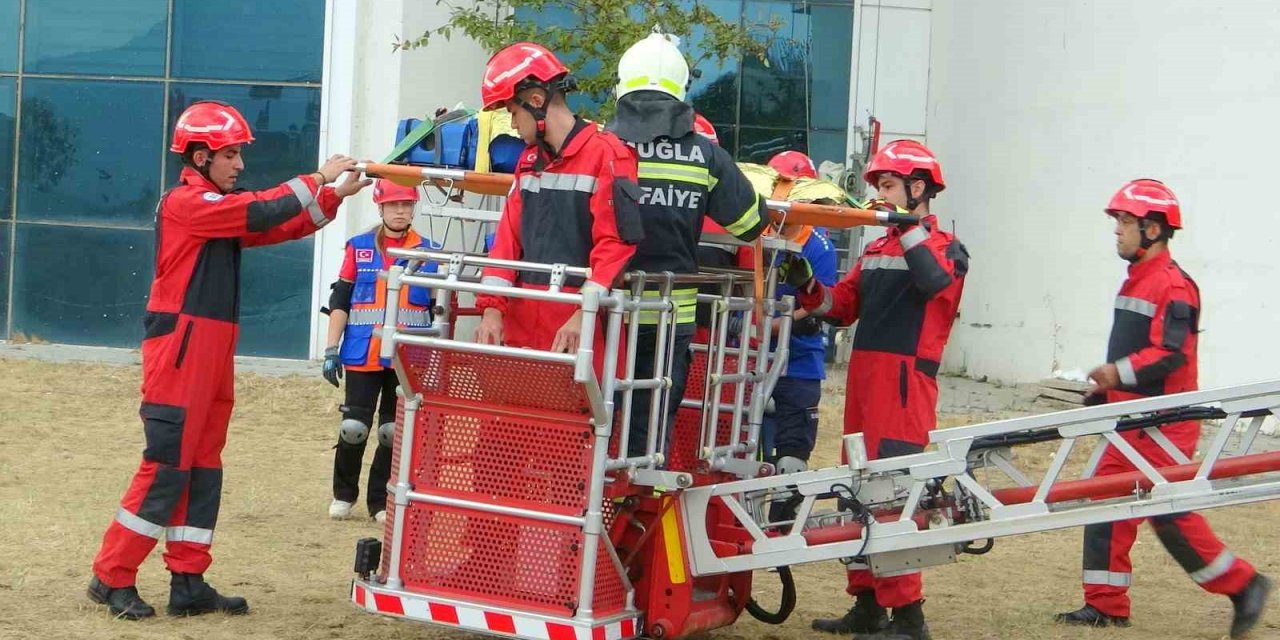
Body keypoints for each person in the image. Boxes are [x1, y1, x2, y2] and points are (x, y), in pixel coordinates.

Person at [88, 100, 370, 620]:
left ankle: (189, 581)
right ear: (199, 157)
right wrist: (317, 176)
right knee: (168, 463)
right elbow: (261, 211)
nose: (239, 164)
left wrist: (333, 195)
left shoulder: (216, 207)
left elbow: (275, 226)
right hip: (182, 347)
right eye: (231, 154)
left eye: (239, 155)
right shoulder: (186, 204)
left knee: (203, 464)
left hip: (209, 345)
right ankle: (111, 576)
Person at [1053, 179, 1271, 639]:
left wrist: (1116, 374)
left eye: (1125, 223)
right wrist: (1107, 393)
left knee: (1170, 514)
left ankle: (1246, 584)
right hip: (1131, 418)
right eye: (1118, 222)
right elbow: (1137, 351)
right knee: (1105, 504)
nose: (1117, 231)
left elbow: (1169, 355)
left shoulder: (1174, 285)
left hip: (1165, 424)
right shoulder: (1138, 278)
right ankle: (1106, 605)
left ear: (1152, 229)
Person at [790, 140, 969, 640]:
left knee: (891, 497)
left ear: (918, 188)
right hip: (866, 382)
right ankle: (866, 604)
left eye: (888, 186)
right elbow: (838, 307)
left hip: (905, 384)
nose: (879, 198)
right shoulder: (876, 248)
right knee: (857, 491)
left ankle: (908, 618)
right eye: (878, 188)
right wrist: (803, 279)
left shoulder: (945, 248)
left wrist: (905, 226)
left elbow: (936, 286)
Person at [607, 32, 767, 457]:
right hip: (669, 317)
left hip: (605, 312)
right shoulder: (705, 156)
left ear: (620, 88)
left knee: (597, 419)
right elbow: (751, 223)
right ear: (682, 91)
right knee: (649, 427)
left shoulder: (600, 148)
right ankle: (639, 504)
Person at [473, 42, 643, 374]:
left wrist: (584, 314)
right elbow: (506, 242)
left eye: (513, 113)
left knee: (580, 426)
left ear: (536, 102)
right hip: (521, 334)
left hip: (579, 335)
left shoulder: (608, 155)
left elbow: (616, 245)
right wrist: (491, 310)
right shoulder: (529, 162)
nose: (512, 125)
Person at [321, 179, 438, 523]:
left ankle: (379, 502)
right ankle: (343, 495)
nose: (400, 211)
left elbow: (439, 310)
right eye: (393, 205)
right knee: (354, 427)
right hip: (363, 352)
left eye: (406, 205)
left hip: (405, 357)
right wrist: (331, 348)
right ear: (381, 208)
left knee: (391, 432)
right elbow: (340, 301)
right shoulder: (358, 248)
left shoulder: (430, 253)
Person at [757, 181, 839, 524]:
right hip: (748, 358)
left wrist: (773, 325)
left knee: (792, 452)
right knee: (743, 443)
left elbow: (820, 303)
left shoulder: (818, 246)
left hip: (799, 360)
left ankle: (781, 521)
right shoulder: (755, 234)